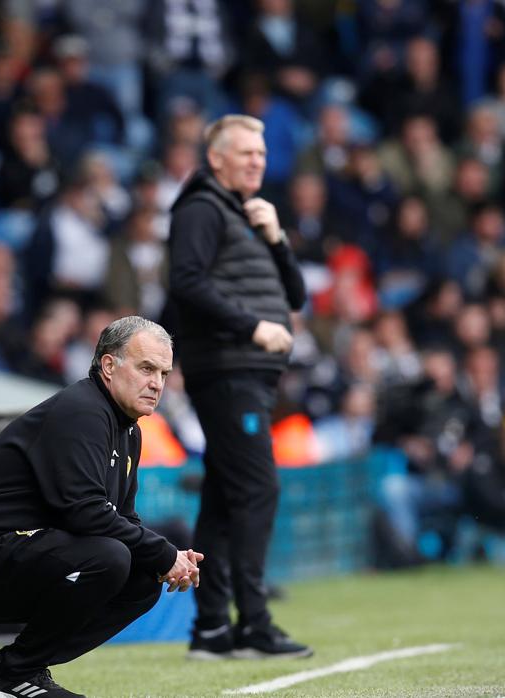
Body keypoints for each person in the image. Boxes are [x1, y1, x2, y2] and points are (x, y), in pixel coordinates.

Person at [0, 316, 203, 698]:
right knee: (110, 556)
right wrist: (162, 552)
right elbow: (84, 511)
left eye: (163, 372)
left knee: (143, 580)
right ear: (109, 366)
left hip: (23, 555)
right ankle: (14, 673)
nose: (157, 383)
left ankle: (18, 670)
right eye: (146, 368)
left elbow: (123, 518)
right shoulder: (82, 410)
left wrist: (165, 557)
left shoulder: (128, 430)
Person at [167, 114, 310, 660]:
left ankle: (209, 629)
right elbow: (185, 283)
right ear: (216, 159)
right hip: (228, 369)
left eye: (262, 153)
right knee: (257, 490)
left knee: (225, 497)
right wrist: (252, 327)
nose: (257, 161)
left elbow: (295, 295)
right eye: (246, 152)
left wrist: (277, 238)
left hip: (247, 373)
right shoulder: (202, 207)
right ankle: (253, 622)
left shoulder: (248, 214)